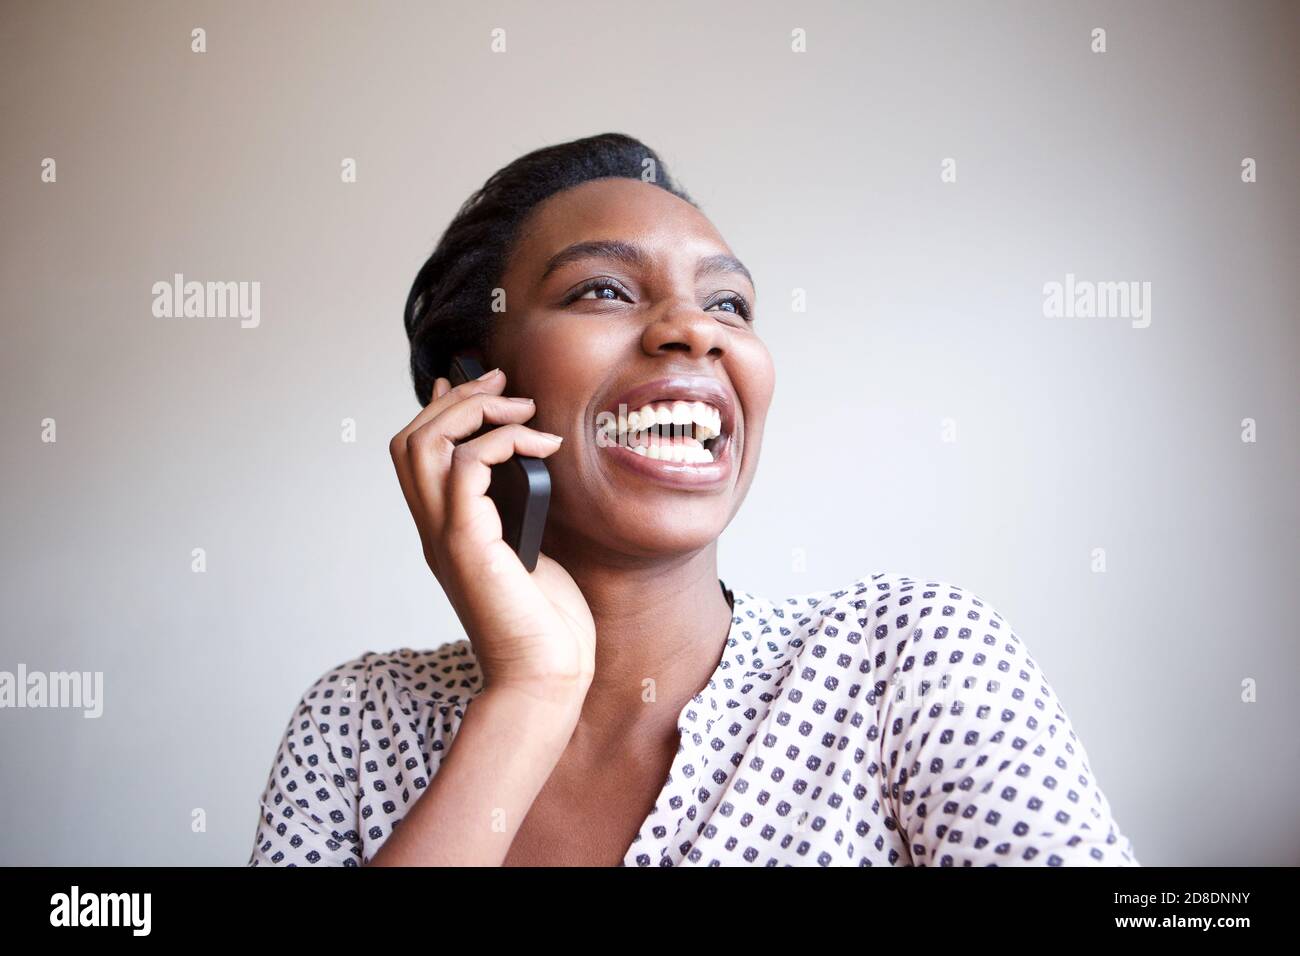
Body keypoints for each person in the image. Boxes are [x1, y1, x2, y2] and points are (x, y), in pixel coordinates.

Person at [247, 132, 1140, 867]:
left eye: (730, 303)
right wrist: (529, 693)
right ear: (475, 392)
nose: (695, 329)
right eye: (603, 288)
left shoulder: (906, 662)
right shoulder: (354, 725)